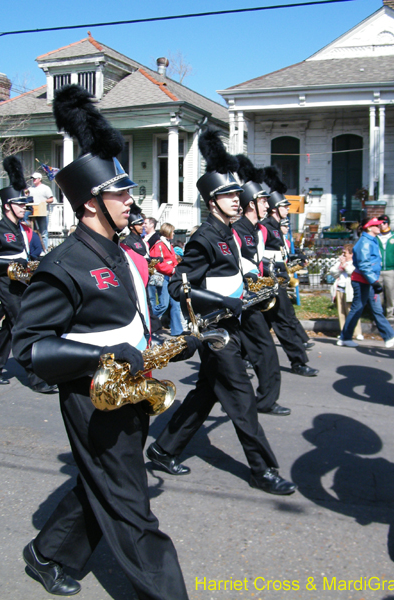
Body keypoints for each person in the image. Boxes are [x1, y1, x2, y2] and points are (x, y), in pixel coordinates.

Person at [12, 83, 190, 599]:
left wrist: (181, 343)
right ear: (91, 204)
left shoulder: (122, 250)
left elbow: (134, 320)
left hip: (132, 383)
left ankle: (48, 554)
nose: (131, 201)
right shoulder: (64, 263)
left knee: (105, 485)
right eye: (121, 193)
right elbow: (30, 349)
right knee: (131, 504)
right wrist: (106, 355)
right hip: (94, 395)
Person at [148, 128, 297, 495]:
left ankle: (164, 448)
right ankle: (262, 470)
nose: (236, 199)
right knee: (242, 399)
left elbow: (229, 275)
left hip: (237, 321)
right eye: (227, 195)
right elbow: (178, 286)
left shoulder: (229, 233)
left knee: (205, 393)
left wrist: (249, 287)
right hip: (218, 332)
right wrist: (221, 302)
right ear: (212, 202)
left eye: (236, 193)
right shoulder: (203, 237)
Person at [0, 156, 56, 394]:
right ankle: (37, 377)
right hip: (7, 284)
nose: (25, 207)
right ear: (7, 205)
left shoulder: (24, 229)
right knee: (25, 327)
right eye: (20, 204)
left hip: (23, 282)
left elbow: (27, 254)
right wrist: (13, 263)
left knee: (10, 328)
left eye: (25, 204)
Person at [233, 155, 289, 416]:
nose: (268, 204)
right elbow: (237, 261)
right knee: (266, 352)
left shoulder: (255, 229)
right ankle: (265, 400)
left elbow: (257, 257)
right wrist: (254, 274)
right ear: (251, 205)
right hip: (242, 301)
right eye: (264, 200)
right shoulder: (236, 230)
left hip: (256, 297)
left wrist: (272, 267)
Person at [260, 166, 318, 377]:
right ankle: (298, 362)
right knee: (283, 322)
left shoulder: (276, 226)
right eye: (285, 205)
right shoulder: (265, 226)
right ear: (275, 207)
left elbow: (278, 254)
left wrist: (295, 260)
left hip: (278, 278)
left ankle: (245, 357)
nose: (287, 208)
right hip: (269, 281)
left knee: (264, 324)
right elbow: (261, 257)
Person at [337, 217, 394, 348]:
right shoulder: (365, 242)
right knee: (358, 309)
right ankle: (345, 337)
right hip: (363, 281)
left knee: (375, 309)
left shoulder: (371, 240)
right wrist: (374, 282)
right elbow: (364, 265)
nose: (380, 227)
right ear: (369, 228)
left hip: (367, 280)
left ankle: (389, 337)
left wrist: (373, 281)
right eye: (377, 225)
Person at [149, 222, 185, 336]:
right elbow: (157, 263)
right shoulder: (159, 245)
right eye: (173, 231)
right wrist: (172, 269)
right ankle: (148, 320)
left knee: (176, 305)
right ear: (168, 231)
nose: (174, 234)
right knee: (163, 304)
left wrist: (175, 268)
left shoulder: (167, 244)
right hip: (164, 277)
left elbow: (173, 260)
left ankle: (177, 331)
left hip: (171, 276)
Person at [329, 244, 362, 340]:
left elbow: (352, 272)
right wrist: (340, 266)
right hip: (340, 289)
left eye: (345, 253)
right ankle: (344, 332)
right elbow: (333, 272)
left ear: (351, 254)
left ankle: (357, 332)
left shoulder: (354, 263)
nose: (343, 255)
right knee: (341, 313)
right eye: (342, 253)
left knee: (351, 311)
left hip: (349, 291)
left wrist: (344, 265)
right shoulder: (340, 263)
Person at [376, 215, 394, 320]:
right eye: (380, 223)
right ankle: (379, 313)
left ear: (387, 224)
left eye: (384, 223)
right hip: (378, 270)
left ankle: (390, 313)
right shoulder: (376, 237)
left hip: (390, 269)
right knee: (378, 294)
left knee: (390, 293)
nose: (382, 225)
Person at [28, 172, 55, 251]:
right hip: (32, 213)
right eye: (33, 179)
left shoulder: (45, 188)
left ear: (40, 179)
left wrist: (45, 201)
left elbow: (51, 199)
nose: (33, 180)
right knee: (32, 232)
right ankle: (34, 249)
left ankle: (44, 250)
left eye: (35, 178)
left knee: (43, 233)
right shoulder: (30, 189)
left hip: (42, 213)